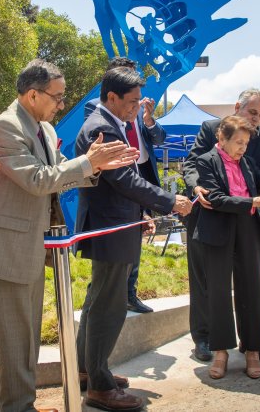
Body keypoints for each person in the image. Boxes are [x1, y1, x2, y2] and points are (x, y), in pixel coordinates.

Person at [0, 60, 138, 412]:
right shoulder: (6, 127)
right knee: (16, 340)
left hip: (28, 245)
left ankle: (19, 404)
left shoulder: (42, 128)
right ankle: (16, 406)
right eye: (57, 97)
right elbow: (38, 180)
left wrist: (97, 168)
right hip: (6, 248)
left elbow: (60, 168)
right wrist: (90, 163)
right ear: (32, 94)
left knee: (27, 337)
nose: (61, 104)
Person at [75, 67, 192, 411]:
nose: (136, 107)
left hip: (118, 223)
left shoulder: (111, 123)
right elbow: (126, 181)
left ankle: (89, 370)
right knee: (108, 308)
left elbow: (119, 183)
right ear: (111, 97)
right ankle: (99, 385)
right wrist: (170, 200)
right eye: (131, 101)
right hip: (110, 228)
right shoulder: (102, 127)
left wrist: (139, 215)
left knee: (100, 301)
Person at [182, 88, 260, 363]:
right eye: (252, 113)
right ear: (238, 106)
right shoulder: (211, 128)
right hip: (212, 217)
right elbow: (191, 163)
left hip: (247, 221)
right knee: (207, 284)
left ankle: (252, 343)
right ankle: (205, 338)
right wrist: (196, 185)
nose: (257, 119)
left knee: (250, 283)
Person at [84, 57, 166, 314]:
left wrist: (149, 119)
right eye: (127, 78)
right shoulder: (97, 110)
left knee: (136, 234)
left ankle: (130, 292)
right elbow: (103, 146)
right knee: (113, 254)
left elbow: (159, 138)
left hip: (140, 171)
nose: (135, 93)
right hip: (116, 178)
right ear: (113, 90)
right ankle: (109, 297)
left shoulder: (139, 108)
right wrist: (171, 201)